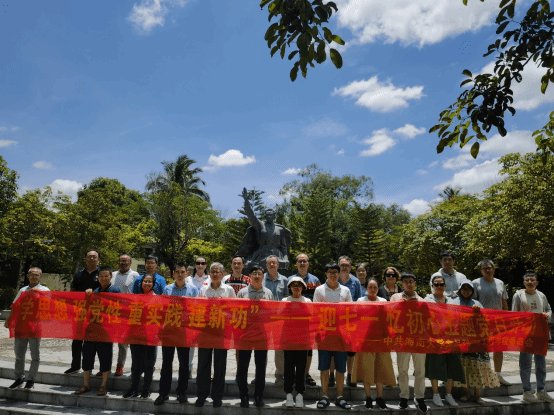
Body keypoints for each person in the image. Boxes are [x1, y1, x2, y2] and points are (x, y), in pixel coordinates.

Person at [154, 263, 199, 406]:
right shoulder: (167, 289)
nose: (180, 274)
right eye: (177, 272)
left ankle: (181, 392)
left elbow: (197, 310)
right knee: (166, 363)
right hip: (169, 330)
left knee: (184, 364)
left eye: (182, 272)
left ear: (187, 273)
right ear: (173, 274)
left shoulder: (193, 290)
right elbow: (162, 310)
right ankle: (163, 393)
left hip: (184, 332)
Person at [74, 266, 121, 396]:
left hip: (106, 331)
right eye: (101, 276)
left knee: (105, 358)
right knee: (87, 357)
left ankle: (103, 386)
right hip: (91, 329)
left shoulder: (115, 290)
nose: (103, 278)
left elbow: (118, 308)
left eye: (106, 276)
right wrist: (88, 295)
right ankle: (86, 385)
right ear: (97, 278)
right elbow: (86, 308)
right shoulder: (95, 290)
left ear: (111, 277)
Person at [452, 280, 499, 405]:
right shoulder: (454, 302)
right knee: (464, 367)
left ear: (472, 291)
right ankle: (466, 394)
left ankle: (477, 396)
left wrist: (479, 312)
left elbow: (485, 320)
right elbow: (450, 318)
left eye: (469, 289)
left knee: (477, 368)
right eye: (463, 288)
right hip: (461, 340)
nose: (466, 291)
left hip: (477, 341)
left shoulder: (477, 303)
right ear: (460, 290)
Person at [196, 262, 236, 408]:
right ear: (209, 274)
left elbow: (234, 310)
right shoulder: (203, 289)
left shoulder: (229, 290)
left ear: (222, 274)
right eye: (212, 271)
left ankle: (217, 396)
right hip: (205, 331)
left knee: (220, 365)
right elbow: (198, 309)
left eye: (217, 272)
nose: (214, 274)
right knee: (203, 364)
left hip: (221, 332)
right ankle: (202, 395)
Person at [352, 277, 395, 410]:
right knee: (366, 368)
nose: (372, 289)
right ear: (366, 288)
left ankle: (380, 397)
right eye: (370, 287)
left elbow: (388, 320)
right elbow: (356, 319)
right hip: (365, 340)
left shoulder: (383, 301)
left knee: (380, 368)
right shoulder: (360, 301)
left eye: (375, 287)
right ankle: (368, 397)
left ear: (378, 288)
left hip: (380, 340)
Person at [313, 263, 352, 410]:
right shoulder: (319, 290)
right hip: (324, 334)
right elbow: (316, 312)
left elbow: (350, 311)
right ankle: (324, 396)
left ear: (339, 273)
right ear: (326, 274)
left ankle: (340, 397)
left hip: (341, 335)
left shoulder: (346, 290)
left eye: (335, 272)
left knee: (341, 368)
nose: (333, 275)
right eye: (330, 272)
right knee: (324, 367)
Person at [5, 267, 50, 390]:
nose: (34, 277)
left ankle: (31, 379)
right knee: (19, 355)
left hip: (35, 326)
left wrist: (39, 295)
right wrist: (9, 319)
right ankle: (19, 378)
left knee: (35, 355)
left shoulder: (45, 290)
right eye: (31, 274)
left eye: (36, 275)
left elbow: (49, 307)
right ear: (28, 276)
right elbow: (15, 306)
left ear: (40, 276)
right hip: (21, 325)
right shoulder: (23, 290)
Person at [512, 272, 554, 403]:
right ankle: (527, 391)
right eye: (527, 280)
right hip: (526, 334)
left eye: (532, 280)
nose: (529, 282)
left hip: (540, 333)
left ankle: (541, 390)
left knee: (541, 363)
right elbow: (514, 314)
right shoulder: (518, 295)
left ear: (537, 282)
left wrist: (547, 315)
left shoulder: (541, 295)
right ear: (524, 282)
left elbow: (549, 309)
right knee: (525, 363)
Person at [423, 275, 465, 407]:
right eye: (436, 284)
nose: (439, 287)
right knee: (434, 367)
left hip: (450, 339)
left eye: (441, 284)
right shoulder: (427, 300)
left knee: (450, 366)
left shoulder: (453, 301)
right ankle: (436, 395)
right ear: (432, 286)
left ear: (445, 286)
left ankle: (448, 394)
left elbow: (458, 318)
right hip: (434, 339)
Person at [236, 264, 274, 408]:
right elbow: (237, 314)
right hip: (245, 335)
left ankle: (259, 396)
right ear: (250, 276)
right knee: (242, 367)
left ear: (263, 276)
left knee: (261, 367)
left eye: (259, 274)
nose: (257, 276)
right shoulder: (242, 293)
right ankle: (244, 396)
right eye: (254, 274)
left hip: (262, 335)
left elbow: (271, 314)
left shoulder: (268, 293)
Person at [390, 273, 427, 413]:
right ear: (402, 284)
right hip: (402, 339)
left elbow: (426, 320)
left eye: (411, 281)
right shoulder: (395, 297)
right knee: (403, 370)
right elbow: (390, 314)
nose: (409, 284)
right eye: (405, 282)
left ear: (415, 283)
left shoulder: (421, 300)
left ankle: (420, 397)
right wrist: (400, 305)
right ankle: (404, 397)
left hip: (418, 340)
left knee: (420, 371)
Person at [472, 259, 510, 385]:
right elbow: (473, 302)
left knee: (499, 348)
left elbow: (504, 302)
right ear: (481, 271)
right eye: (484, 268)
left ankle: (498, 375)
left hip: (498, 321)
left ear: (493, 269)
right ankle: (483, 376)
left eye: (489, 267)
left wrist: (507, 319)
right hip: (482, 321)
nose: (487, 270)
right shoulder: (475, 283)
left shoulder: (500, 283)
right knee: (483, 349)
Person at [236, 187, 291, 270]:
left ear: (274, 216)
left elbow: (283, 247)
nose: (269, 216)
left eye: (271, 214)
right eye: (267, 215)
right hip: (262, 254)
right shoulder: (260, 225)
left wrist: (285, 258)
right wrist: (247, 201)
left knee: (280, 266)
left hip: (277, 255)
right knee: (253, 267)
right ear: (265, 216)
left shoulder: (280, 229)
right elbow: (251, 216)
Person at [288, 253, 320, 387]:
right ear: (296, 264)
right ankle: (294, 374)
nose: (302, 263)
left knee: (308, 348)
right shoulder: (290, 279)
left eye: (304, 261)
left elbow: (317, 299)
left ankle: (306, 373)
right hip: (292, 321)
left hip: (307, 320)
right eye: (300, 261)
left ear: (308, 264)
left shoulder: (315, 280)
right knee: (292, 348)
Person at [66, 250, 100, 375]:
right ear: (85, 259)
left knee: (90, 342)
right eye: (89, 256)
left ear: (98, 260)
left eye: (94, 257)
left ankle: (88, 367)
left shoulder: (101, 274)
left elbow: (105, 289)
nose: (91, 259)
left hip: (95, 312)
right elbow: (72, 290)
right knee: (76, 340)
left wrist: (94, 292)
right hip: (79, 312)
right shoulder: (79, 273)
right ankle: (75, 365)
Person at [124, 274, 157, 400]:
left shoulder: (157, 299)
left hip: (150, 336)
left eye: (149, 282)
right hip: (136, 335)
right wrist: (128, 335)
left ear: (153, 284)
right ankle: (133, 388)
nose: (147, 283)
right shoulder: (136, 298)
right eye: (145, 281)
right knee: (136, 364)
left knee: (149, 364)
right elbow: (131, 318)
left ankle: (146, 390)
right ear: (141, 283)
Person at [283, 276, 311, 408]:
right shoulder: (284, 301)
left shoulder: (308, 301)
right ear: (289, 287)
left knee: (301, 368)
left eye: (299, 285)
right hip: (288, 340)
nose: (296, 287)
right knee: (288, 368)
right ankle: (288, 394)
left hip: (303, 340)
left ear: (303, 287)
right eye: (293, 285)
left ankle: (300, 394)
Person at [111, 254, 139, 376]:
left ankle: (120, 366)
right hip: (112, 311)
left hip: (126, 312)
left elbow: (137, 294)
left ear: (130, 262)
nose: (123, 263)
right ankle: (105, 366)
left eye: (126, 261)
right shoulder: (112, 275)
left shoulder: (135, 275)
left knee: (123, 342)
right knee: (107, 341)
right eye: (121, 261)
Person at [337, 255, 362, 388]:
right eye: (342, 265)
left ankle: (350, 375)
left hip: (351, 320)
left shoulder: (356, 282)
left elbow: (359, 300)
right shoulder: (333, 278)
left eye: (346, 265)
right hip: (335, 320)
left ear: (350, 267)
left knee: (351, 350)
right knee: (336, 348)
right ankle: (334, 375)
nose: (344, 267)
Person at [263, 255, 288, 386]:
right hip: (264, 320)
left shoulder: (284, 280)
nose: (272, 265)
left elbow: (287, 299)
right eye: (269, 263)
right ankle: (260, 375)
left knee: (279, 350)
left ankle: (280, 376)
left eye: (274, 263)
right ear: (266, 266)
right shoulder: (261, 279)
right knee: (262, 349)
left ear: (278, 265)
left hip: (280, 320)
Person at [185, 256, 210, 376]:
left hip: (206, 317)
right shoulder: (188, 280)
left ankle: (203, 372)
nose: (200, 265)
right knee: (189, 345)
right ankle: (188, 369)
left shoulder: (210, 279)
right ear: (195, 265)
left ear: (206, 265)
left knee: (205, 346)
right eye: (198, 263)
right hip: (191, 316)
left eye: (203, 263)